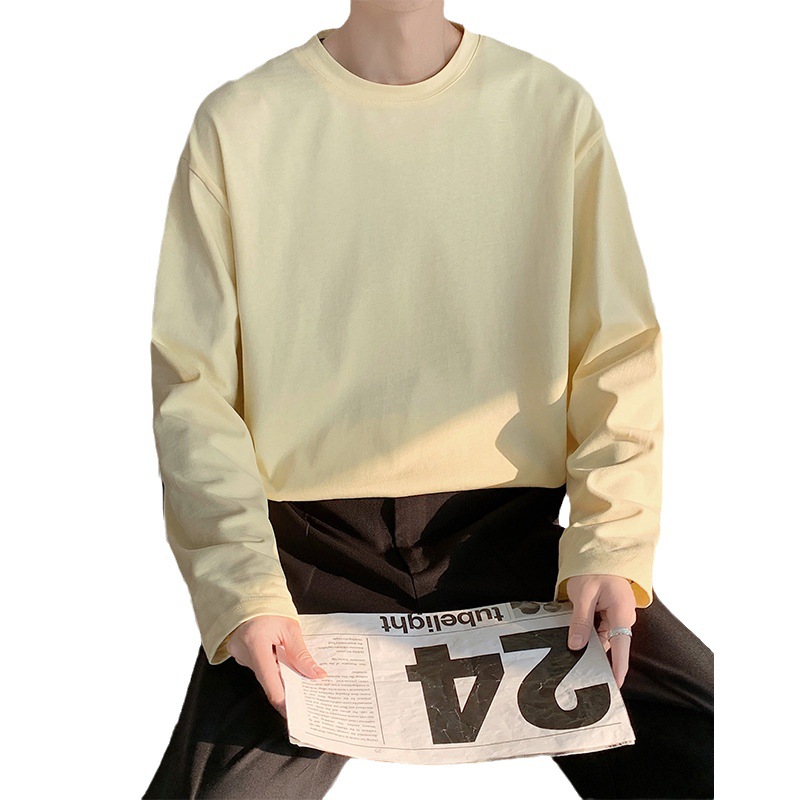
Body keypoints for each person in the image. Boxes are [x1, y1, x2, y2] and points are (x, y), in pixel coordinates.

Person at [143, 2, 713, 798]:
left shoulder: (553, 111)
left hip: (513, 545)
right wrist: (241, 590)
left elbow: (616, 355)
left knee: (723, 750)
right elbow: (195, 391)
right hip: (307, 567)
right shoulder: (238, 126)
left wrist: (610, 546)